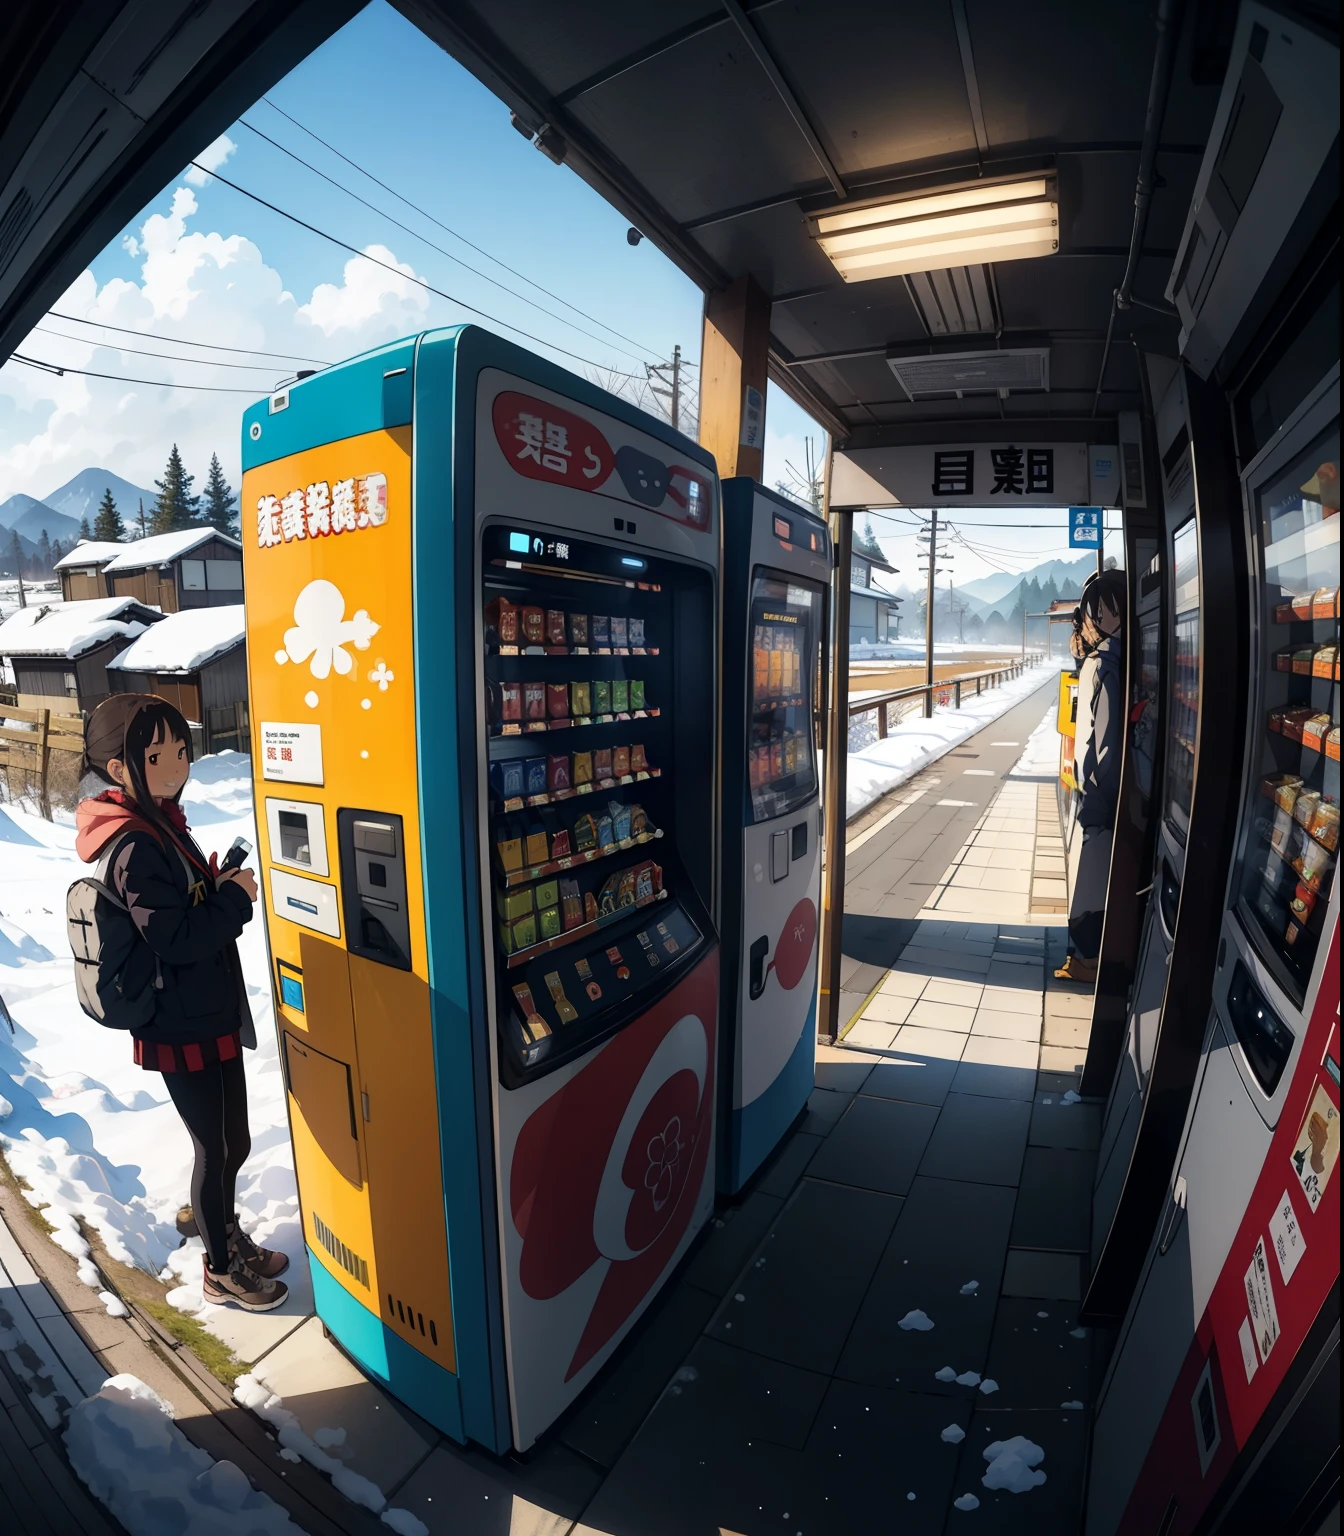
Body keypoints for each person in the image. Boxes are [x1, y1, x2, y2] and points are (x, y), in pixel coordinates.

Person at [75, 694, 289, 1311]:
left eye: (180, 751)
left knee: (235, 1141)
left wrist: (215, 887)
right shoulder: (136, 843)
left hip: (203, 1011)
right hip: (177, 1023)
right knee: (215, 1147)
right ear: (121, 769)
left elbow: (182, 913)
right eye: (156, 755)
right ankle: (220, 1270)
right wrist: (236, 901)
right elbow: (174, 938)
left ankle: (220, 1227)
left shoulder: (161, 820)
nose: (175, 765)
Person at [1056, 570, 1125, 982]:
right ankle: (1082, 958)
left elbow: (1106, 742)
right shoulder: (1106, 663)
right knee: (1092, 879)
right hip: (1099, 791)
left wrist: (1099, 797)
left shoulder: (1104, 667)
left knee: (1092, 881)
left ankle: (1085, 961)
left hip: (1098, 794)